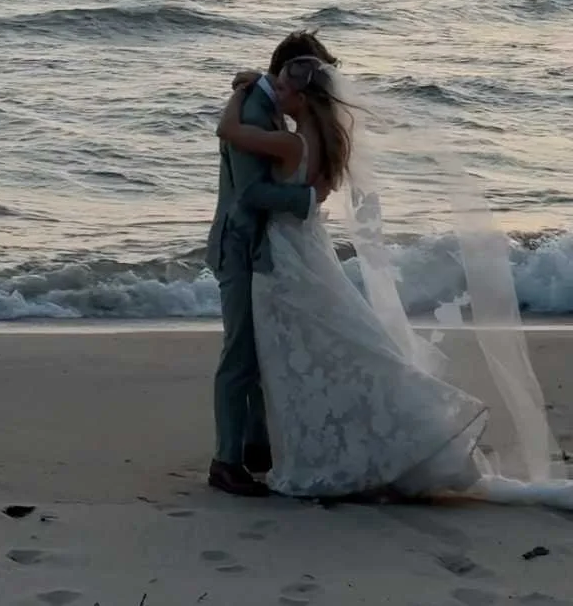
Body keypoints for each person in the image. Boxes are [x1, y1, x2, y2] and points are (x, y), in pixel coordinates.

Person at [218, 57, 573, 505]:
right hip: (311, 251)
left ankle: (312, 449)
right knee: (334, 343)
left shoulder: (290, 145)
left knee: (298, 354)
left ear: (303, 100)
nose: (276, 92)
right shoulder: (330, 142)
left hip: (286, 258)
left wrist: (239, 92)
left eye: (284, 88)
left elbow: (228, 133)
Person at [206, 30, 337, 497]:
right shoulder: (256, 111)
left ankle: (257, 444)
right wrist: (308, 197)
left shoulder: (268, 108)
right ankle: (225, 461)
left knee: (264, 351)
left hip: (266, 250)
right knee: (239, 355)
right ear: (283, 73)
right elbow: (251, 193)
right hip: (239, 247)